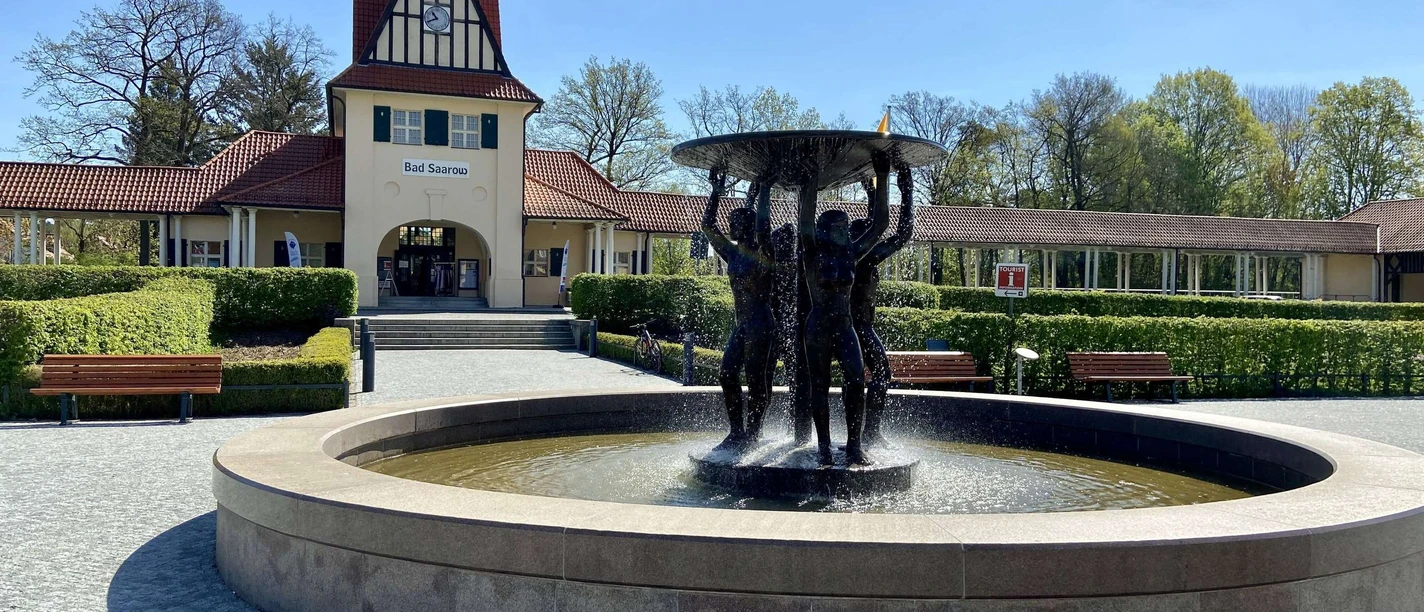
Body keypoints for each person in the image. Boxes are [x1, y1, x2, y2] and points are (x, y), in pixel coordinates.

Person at [797, 154, 891, 465]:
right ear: (825, 230)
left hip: (845, 324)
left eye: (844, 225)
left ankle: (854, 445)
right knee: (819, 385)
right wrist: (809, 180)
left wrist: (882, 175)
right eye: (838, 226)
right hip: (818, 328)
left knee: (856, 378)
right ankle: (823, 446)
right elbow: (805, 219)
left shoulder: (851, 254)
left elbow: (880, 225)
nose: (844, 229)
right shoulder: (812, 253)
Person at [702, 169, 777, 449]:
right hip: (743, 325)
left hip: (761, 325)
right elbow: (708, 227)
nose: (730, 226)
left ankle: (752, 434)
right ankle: (736, 432)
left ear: (747, 226)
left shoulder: (765, 252)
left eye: (734, 222)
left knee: (757, 383)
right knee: (727, 374)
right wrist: (715, 193)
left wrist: (765, 190)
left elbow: (764, 226)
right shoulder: (733, 253)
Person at [848, 167, 915, 447]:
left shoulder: (853, 255)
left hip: (855, 326)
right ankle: (868, 434)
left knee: (869, 377)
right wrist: (907, 193)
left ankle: (865, 433)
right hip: (856, 327)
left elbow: (879, 223)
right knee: (880, 375)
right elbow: (902, 233)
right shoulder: (864, 257)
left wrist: (871, 190)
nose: (876, 237)